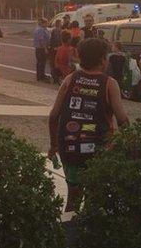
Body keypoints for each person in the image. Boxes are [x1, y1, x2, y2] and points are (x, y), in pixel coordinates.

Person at [48, 38, 130, 212]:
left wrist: (53, 145)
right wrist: (130, 147)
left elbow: (53, 116)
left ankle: (69, 235)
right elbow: (123, 120)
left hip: (70, 147)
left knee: (72, 199)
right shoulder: (109, 84)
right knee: (95, 199)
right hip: (100, 150)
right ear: (102, 60)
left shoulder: (70, 79)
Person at [33, 17, 51, 83]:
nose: (47, 24)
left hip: (39, 48)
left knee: (41, 62)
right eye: (46, 23)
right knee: (41, 62)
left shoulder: (41, 29)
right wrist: (45, 48)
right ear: (43, 23)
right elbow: (42, 40)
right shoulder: (40, 30)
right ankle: (41, 77)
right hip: (41, 48)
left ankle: (41, 75)